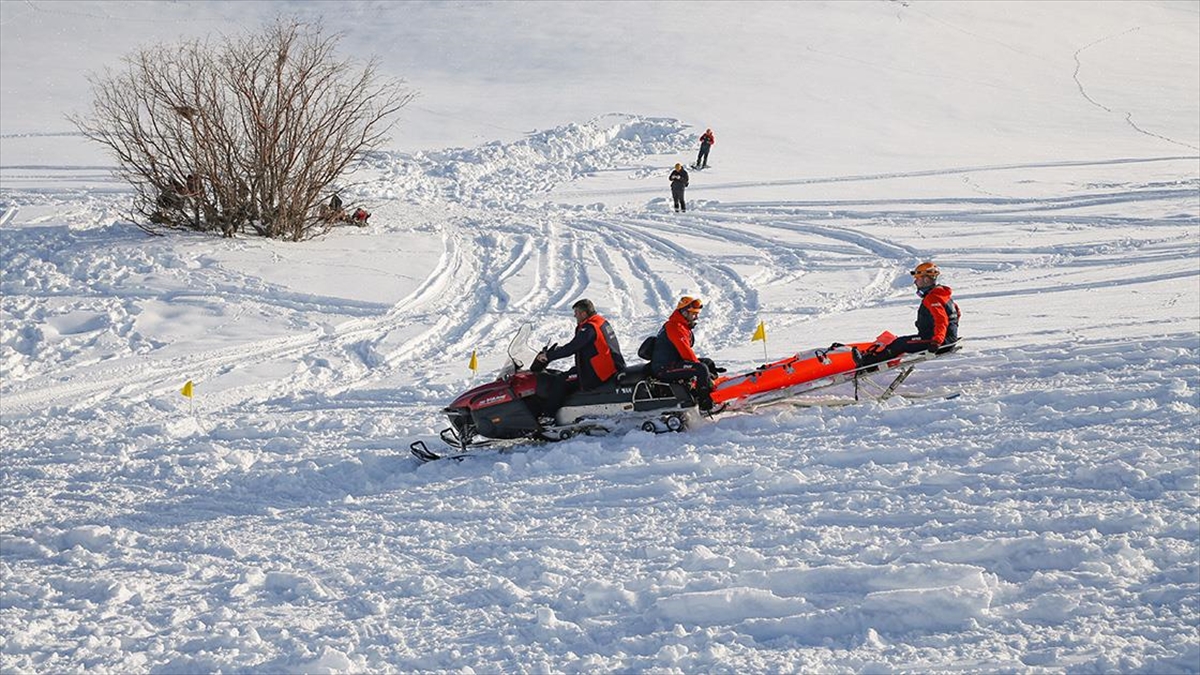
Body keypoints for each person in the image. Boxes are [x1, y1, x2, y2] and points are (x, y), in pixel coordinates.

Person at [532, 298, 626, 420]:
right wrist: (556, 350)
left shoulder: (589, 328)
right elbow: (579, 344)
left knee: (560, 380)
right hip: (607, 367)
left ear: (584, 313)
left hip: (597, 373)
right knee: (565, 374)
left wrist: (548, 356)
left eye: (576, 313)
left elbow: (572, 348)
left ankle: (548, 417)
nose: (574, 315)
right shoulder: (600, 321)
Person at [856, 262, 961, 368]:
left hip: (938, 342)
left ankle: (867, 363)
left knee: (900, 344)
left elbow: (941, 320)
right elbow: (956, 314)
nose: (915, 282)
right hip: (944, 340)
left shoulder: (932, 297)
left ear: (926, 279)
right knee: (901, 341)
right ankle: (874, 358)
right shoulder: (942, 295)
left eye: (917, 278)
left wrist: (936, 341)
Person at [651, 296, 718, 411]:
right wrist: (703, 371)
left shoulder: (681, 326)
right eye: (693, 314)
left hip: (674, 362)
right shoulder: (674, 326)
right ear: (684, 312)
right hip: (664, 367)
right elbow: (686, 352)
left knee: (708, 363)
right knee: (701, 368)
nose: (696, 317)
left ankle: (713, 389)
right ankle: (705, 403)